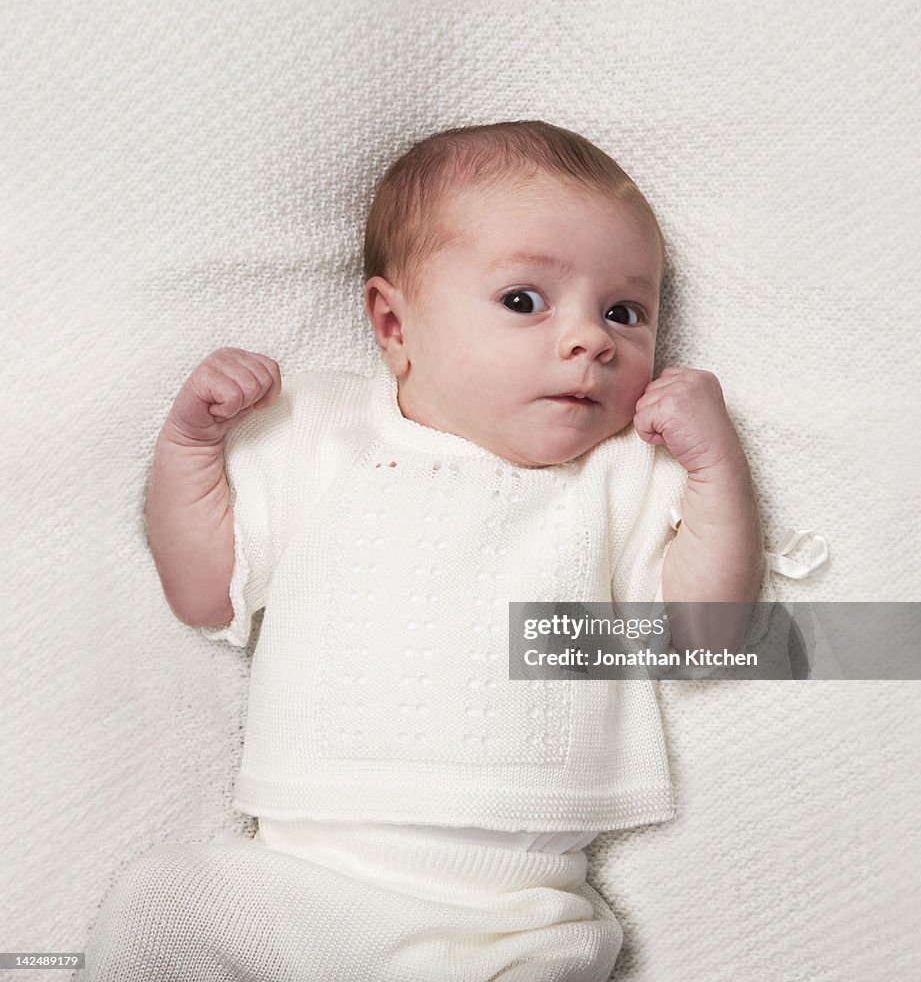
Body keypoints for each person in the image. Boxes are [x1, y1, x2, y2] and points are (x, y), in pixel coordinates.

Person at [81, 121, 795, 981]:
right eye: (524, 300)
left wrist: (716, 465)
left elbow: (700, 638)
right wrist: (190, 452)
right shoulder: (317, 435)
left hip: (516, 914)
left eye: (624, 311)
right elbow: (203, 592)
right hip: (297, 882)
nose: (591, 340)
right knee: (159, 904)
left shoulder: (619, 475)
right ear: (393, 323)